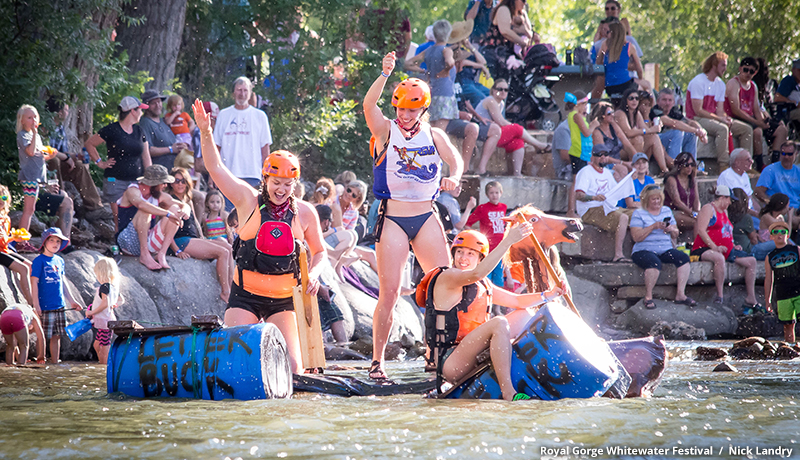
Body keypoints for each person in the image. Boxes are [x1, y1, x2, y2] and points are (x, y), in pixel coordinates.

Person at [195, 100, 326, 374]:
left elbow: (321, 252)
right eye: (276, 183)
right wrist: (206, 133)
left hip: (284, 300)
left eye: (288, 185)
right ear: (265, 179)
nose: (281, 189)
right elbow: (216, 168)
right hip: (245, 297)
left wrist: (314, 274)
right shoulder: (246, 200)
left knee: (293, 370)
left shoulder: (305, 212)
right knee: (233, 367)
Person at [363, 52, 463, 380]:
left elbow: (456, 160)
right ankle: (377, 362)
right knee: (389, 292)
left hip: (425, 216)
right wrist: (384, 73)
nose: (405, 115)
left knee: (443, 285)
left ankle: (437, 356)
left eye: (411, 109)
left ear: (423, 109)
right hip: (393, 218)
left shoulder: (434, 135)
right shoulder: (386, 131)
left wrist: (456, 178)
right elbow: (368, 107)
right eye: (401, 109)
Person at [421, 227, 563, 400]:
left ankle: (547, 368)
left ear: (481, 258)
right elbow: (477, 273)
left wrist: (549, 294)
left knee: (525, 314)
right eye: (460, 252)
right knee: (499, 323)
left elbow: (516, 301)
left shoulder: (481, 284)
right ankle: (509, 393)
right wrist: (508, 241)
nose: (463, 258)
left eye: (470, 254)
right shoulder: (448, 277)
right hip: (451, 362)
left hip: (472, 351)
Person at [85, 96, 152, 230]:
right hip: (115, 181)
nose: (141, 113)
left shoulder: (140, 131)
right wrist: (100, 162)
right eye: (140, 110)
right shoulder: (111, 129)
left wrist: (150, 179)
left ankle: (134, 247)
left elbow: (146, 157)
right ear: (132, 111)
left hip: (136, 181)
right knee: (119, 217)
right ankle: (119, 247)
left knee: (137, 216)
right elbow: (90, 144)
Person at [167, 167, 233, 301]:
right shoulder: (169, 200)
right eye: (177, 181)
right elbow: (165, 229)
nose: (180, 184)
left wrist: (204, 240)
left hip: (192, 239)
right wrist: (177, 250)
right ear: (171, 183)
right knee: (223, 252)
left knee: (228, 248)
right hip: (181, 240)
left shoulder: (188, 200)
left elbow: (196, 223)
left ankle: (232, 287)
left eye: (183, 181)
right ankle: (225, 292)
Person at [691, 185, 759, 308]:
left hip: (726, 249)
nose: (730, 203)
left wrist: (733, 245)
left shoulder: (725, 211)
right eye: (729, 199)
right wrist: (714, 247)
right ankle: (720, 295)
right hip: (703, 248)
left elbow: (726, 231)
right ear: (722, 197)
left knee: (752, 261)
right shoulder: (708, 209)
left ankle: (751, 297)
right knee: (719, 258)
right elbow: (701, 230)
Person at [629, 184, 695, 309]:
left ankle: (680, 294)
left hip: (665, 248)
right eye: (653, 199)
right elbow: (636, 237)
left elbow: (676, 233)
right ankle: (648, 297)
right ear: (646, 200)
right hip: (643, 249)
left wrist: (671, 229)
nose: (657, 201)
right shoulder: (639, 213)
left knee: (683, 259)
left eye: (658, 198)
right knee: (654, 263)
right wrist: (653, 226)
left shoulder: (666, 211)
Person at [213, 77, 273, 209]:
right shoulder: (224, 115)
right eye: (239, 90)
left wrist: (267, 174)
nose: (242, 93)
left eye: (245, 90)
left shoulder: (260, 116)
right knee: (228, 215)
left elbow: (265, 147)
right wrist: (214, 173)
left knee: (252, 213)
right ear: (233, 92)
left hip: (253, 174)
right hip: (227, 174)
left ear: (251, 93)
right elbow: (216, 146)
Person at [473, 79, 550, 176]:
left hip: (493, 132)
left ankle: (517, 173)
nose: (503, 92)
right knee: (517, 128)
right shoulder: (491, 100)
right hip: (484, 131)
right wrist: (518, 130)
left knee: (518, 142)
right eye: (500, 89)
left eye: (506, 90)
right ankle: (539, 145)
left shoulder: (500, 103)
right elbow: (500, 121)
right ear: (493, 90)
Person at [115, 165, 186, 271]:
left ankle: (162, 253)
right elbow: (141, 204)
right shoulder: (132, 190)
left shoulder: (158, 194)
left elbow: (182, 205)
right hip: (127, 241)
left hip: (149, 239)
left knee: (174, 208)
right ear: (154, 183)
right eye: (163, 183)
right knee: (145, 211)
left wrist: (185, 211)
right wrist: (167, 213)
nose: (165, 186)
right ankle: (144, 255)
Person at [686, 52, 747, 170]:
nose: (725, 68)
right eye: (723, 65)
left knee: (746, 129)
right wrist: (720, 119)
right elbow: (698, 111)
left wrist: (725, 117)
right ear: (714, 65)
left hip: (712, 118)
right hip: (697, 118)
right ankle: (724, 165)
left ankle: (745, 164)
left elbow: (720, 110)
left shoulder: (720, 84)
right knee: (722, 128)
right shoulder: (698, 82)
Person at [31, 227, 82, 364]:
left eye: (58, 241)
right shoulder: (39, 261)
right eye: (52, 240)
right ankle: (41, 360)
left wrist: (72, 300)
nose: (55, 243)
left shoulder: (59, 260)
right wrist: (36, 304)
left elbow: (63, 282)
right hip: (44, 305)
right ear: (44, 242)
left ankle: (55, 362)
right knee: (42, 336)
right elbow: (34, 282)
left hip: (59, 305)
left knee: (57, 335)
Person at [724, 57, 788, 167]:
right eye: (745, 70)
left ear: (755, 72)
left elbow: (756, 109)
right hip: (737, 117)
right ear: (740, 69)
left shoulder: (753, 86)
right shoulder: (734, 83)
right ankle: (759, 164)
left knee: (782, 130)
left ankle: (775, 162)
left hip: (751, 118)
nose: (748, 73)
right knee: (757, 131)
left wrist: (762, 122)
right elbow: (736, 110)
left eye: (751, 71)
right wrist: (757, 123)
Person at [574, 146, 631, 262]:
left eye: (605, 155)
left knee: (638, 214)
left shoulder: (607, 173)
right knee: (623, 217)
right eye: (599, 155)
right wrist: (594, 197)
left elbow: (616, 192)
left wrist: (625, 181)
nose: (603, 157)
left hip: (607, 207)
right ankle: (618, 255)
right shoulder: (585, 172)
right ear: (593, 157)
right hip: (590, 210)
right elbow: (578, 195)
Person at [45, 99, 104, 212]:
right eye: (66, 110)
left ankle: (94, 206)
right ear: (59, 113)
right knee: (54, 161)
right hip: (46, 167)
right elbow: (47, 152)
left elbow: (63, 152)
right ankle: (60, 201)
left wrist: (76, 156)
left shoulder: (61, 128)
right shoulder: (46, 127)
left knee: (79, 165)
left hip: (59, 164)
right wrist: (66, 158)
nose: (68, 113)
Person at [16, 104, 57, 236]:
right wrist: (34, 133)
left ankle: (23, 238)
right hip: (29, 176)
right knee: (28, 210)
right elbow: (30, 152)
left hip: (36, 176)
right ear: (22, 120)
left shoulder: (35, 136)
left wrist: (49, 156)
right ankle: (21, 240)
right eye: (29, 117)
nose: (33, 120)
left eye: (35, 117)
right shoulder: (23, 135)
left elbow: (38, 157)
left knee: (31, 209)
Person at [614, 88, 670, 175]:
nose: (634, 101)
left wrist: (649, 118)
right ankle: (635, 171)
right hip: (619, 149)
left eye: (636, 98)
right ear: (625, 100)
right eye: (631, 98)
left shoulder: (636, 113)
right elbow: (628, 133)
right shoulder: (620, 113)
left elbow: (646, 131)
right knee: (638, 139)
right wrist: (649, 130)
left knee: (654, 137)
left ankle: (664, 170)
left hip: (633, 147)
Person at [462, 181, 508, 287]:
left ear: (501, 193)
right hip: (487, 250)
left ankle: (497, 303)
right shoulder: (482, 208)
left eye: (497, 192)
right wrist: (476, 239)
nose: (494, 195)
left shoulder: (504, 207)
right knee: (485, 279)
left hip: (500, 249)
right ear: (487, 195)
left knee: (499, 280)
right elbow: (468, 224)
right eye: (491, 193)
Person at [764, 220, 800, 342]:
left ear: (787, 235)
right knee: (788, 325)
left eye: (783, 232)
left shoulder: (797, 250)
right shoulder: (770, 256)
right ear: (771, 236)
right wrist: (767, 300)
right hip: (782, 295)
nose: (780, 234)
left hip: (799, 292)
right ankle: (790, 350)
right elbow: (769, 279)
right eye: (776, 232)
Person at [479, 0, 534, 79]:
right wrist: (521, 42)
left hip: (506, 54)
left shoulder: (519, 14)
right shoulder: (503, 9)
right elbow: (505, 31)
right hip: (494, 54)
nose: (524, 3)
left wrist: (524, 14)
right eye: (523, 0)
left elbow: (529, 33)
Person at [651, 88, 707, 160]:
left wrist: (701, 130)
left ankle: (691, 165)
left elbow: (689, 122)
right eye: (664, 100)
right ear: (658, 101)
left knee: (691, 134)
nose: (667, 103)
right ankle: (676, 166)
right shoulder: (655, 111)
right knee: (677, 132)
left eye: (670, 100)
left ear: (673, 102)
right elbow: (674, 124)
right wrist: (696, 130)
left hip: (671, 142)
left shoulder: (674, 111)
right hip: (657, 143)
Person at [138, 90, 188, 170]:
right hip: (158, 173)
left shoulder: (164, 121)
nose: (158, 105)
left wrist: (181, 146)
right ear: (146, 106)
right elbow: (148, 150)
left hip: (172, 172)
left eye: (159, 102)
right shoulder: (145, 123)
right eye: (153, 103)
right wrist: (171, 149)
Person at [86, 257, 123, 364]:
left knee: (104, 346)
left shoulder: (104, 287)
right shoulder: (113, 287)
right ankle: (102, 363)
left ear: (101, 273)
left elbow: (105, 303)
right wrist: (114, 305)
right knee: (97, 345)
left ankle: (105, 366)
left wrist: (91, 312)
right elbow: (121, 300)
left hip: (105, 322)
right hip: (106, 320)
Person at [0, 185, 34, 305]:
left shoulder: (6, 218)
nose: (1, 200)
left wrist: (13, 238)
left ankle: (36, 297)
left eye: (3, 197)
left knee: (31, 266)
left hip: (4, 250)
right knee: (23, 269)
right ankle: (31, 303)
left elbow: (4, 241)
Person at [754, 142, 800, 225]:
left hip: (796, 208)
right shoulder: (770, 170)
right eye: (783, 153)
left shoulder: (798, 171)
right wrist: (771, 203)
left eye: (789, 154)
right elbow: (758, 191)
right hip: (779, 209)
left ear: (796, 154)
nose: (786, 157)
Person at [594, 22, 643, 98]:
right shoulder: (629, 46)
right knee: (644, 90)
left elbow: (598, 61)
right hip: (625, 85)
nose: (607, 34)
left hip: (610, 86)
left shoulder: (605, 44)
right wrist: (641, 78)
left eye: (608, 32)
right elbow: (639, 69)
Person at [591, 101, 635, 181]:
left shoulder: (613, 126)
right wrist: (623, 163)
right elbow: (602, 156)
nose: (612, 115)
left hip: (617, 161)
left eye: (612, 112)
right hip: (605, 163)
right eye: (609, 113)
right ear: (602, 116)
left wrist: (637, 159)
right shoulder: (597, 132)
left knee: (636, 169)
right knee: (622, 170)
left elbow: (627, 144)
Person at [664, 152, 701, 233]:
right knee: (697, 222)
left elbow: (696, 200)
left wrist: (697, 213)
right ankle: (697, 246)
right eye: (686, 165)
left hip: (688, 212)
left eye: (692, 164)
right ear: (679, 166)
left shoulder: (693, 180)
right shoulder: (671, 179)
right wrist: (693, 214)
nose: (690, 167)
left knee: (705, 220)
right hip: (672, 212)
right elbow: (677, 202)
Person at [717, 148, 759, 216]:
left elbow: (750, 197)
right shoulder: (726, 176)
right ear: (737, 162)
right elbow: (737, 205)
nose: (752, 161)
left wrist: (761, 212)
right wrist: (756, 214)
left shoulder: (745, 175)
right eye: (747, 160)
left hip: (749, 211)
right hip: (738, 214)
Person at [752, 193, 792, 261]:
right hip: (761, 249)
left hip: (773, 250)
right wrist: (790, 217)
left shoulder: (780, 217)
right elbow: (785, 235)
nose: (788, 209)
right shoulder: (767, 217)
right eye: (787, 206)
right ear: (782, 206)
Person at [774, 59, 800, 125]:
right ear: (793, 70)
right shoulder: (789, 81)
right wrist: (792, 102)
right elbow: (777, 97)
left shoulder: (798, 85)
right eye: (799, 70)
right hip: (788, 112)